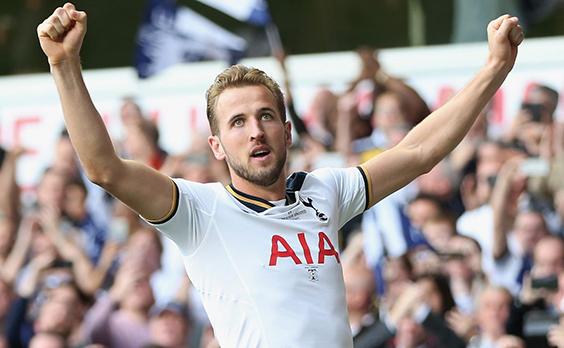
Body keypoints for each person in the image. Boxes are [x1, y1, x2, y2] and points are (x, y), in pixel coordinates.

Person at [36, 3, 523, 347]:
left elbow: (417, 150)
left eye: (266, 116)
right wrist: (64, 65)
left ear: (288, 132)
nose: (255, 132)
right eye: (238, 122)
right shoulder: (200, 211)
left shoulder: (326, 190)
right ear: (216, 146)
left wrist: (495, 67)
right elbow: (104, 168)